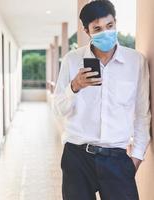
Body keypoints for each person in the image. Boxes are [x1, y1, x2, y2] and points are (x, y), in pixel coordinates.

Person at [53, 0, 151, 199]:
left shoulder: (136, 62)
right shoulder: (72, 60)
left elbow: (142, 113)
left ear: (115, 22)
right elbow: (58, 109)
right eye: (97, 28)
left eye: (109, 26)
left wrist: (136, 158)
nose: (105, 32)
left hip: (117, 159)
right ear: (87, 31)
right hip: (77, 157)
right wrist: (75, 86)